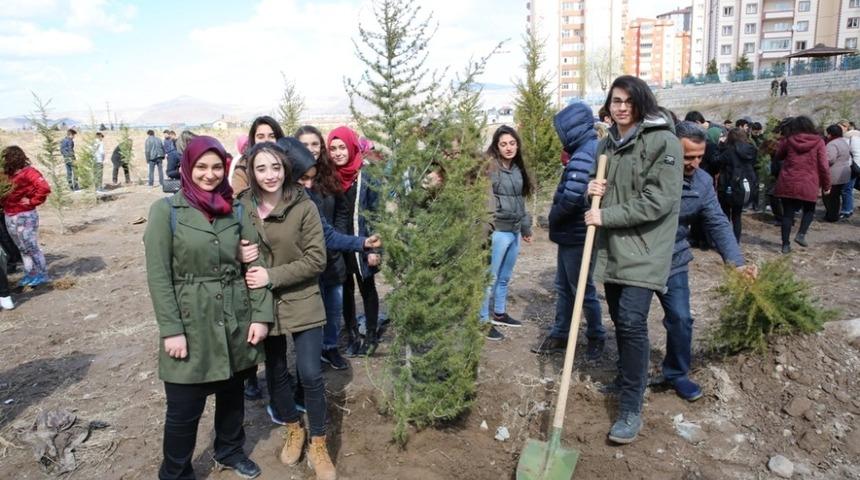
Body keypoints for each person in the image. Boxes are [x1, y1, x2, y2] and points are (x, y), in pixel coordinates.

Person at [144, 136, 271, 480]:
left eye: (217, 167)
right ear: (188, 166)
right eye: (201, 166)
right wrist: (172, 330)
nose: (210, 174)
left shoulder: (237, 209)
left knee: (232, 396)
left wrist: (260, 316)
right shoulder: (165, 212)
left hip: (234, 318)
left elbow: (254, 267)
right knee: (184, 409)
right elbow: (159, 276)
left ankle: (229, 450)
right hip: (190, 321)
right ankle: (175, 472)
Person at [585, 75, 683, 444]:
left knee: (630, 321)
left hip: (645, 248)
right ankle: (627, 378)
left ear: (641, 103)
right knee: (618, 319)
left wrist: (605, 216)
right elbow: (599, 196)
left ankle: (630, 408)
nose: (620, 107)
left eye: (627, 100)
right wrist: (590, 191)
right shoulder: (605, 145)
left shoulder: (663, 142)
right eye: (615, 100)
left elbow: (660, 200)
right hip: (612, 248)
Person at [237, 142, 336, 480]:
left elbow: (316, 259)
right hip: (265, 306)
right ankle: (294, 428)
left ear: (286, 168)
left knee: (310, 373)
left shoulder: (303, 205)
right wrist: (237, 254)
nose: (270, 175)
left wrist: (271, 276)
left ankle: (319, 443)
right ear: (251, 171)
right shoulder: (243, 207)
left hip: (302, 297)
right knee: (276, 373)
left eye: (276, 167)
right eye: (261, 168)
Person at [654, 121, 750, 401]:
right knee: (629, 321)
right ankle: (629, 374)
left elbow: (718, 223)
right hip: (638, 258)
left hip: (674, 259)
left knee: (681, 319)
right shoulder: (650, 173)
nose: (694, 163)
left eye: (699, 156)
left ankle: (677, 374)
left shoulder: (703, 182)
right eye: (688, 157)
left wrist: (736, 262)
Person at [531, 101, 605, 359]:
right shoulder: (584, 149)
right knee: (564, 286)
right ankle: (560, 333)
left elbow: (572, 197)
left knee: (582, 290)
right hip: (571, 234)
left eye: (561, 131)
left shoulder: (585, 153)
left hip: (577, 234)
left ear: (571, 128)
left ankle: (596, 336)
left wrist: (553, 216)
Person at [296, 125, 351, 370]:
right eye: (305, 144)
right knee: (311, 310)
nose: (311, 149)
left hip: (333, 253)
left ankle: (330, 347)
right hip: (307, 259)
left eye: (315, 144)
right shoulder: (292, 180)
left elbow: (342, 210)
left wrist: (338, 238)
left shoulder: (330, 177)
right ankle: (312, 352)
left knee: (334, 303)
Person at [329, 126, 383, 356]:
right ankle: (351, 333)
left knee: (367, 288)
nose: (338, 153)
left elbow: (377, 212)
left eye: (342, 147)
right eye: (333, 148)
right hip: (340, 243)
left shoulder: (367, 174)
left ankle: (371, 334)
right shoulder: (329, 176)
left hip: (364, 243)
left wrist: (376, 248)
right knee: (346, 290)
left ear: (352, 146)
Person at [481, 125, 533, 341]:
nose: (509, 147)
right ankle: (482, 321)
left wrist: (526, 227)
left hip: (514, 231)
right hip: (498, 231)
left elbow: (521, 202)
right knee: (489, 278)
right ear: (496, 146)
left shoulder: (518, 170)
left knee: (504, 277)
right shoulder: (490, 169)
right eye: (503, 144)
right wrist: (485, 231)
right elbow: (485, 201)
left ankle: (499, 313)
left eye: (512, 143)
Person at [773, 116, 830, 253]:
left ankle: (785, 245)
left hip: (789, 180)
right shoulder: (819, 141)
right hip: (809, 181)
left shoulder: (788, 140)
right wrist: (826, 185)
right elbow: (823, 165)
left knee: (787, 214)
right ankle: (801, 234)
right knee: (809, 210)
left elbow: (778, 155)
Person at [1, 146, 52, 288]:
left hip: (25, 216)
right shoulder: (7, 174)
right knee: (22, 248)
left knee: (31, 246)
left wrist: (32, 201)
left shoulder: (29, 172)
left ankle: (42, 274)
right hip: (9, 215)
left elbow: (44, 188)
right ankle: (31, 273)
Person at [716, 128, 758, 243]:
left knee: (725, 214)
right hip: (744, 185)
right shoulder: (751, 149)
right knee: (737, 215)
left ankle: (726, 240)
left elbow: (717, 160)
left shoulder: (730, 151)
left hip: (728, 184)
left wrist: (720, 146)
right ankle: (736, 241)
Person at [231, 116, 284, 195]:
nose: (266, 140)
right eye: (260, 137)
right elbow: (238, 198)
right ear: (253, 139)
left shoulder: (287, 161)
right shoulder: (243, 165)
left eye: (272, 136)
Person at [823, 124, 851, 222]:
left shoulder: (832, 144)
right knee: (835, 197)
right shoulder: (844, 142)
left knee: (829, 197)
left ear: (831, 134)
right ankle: (833, 214)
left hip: (834, 174)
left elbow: (830, 159)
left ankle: (832, 216)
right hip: (844, 173)